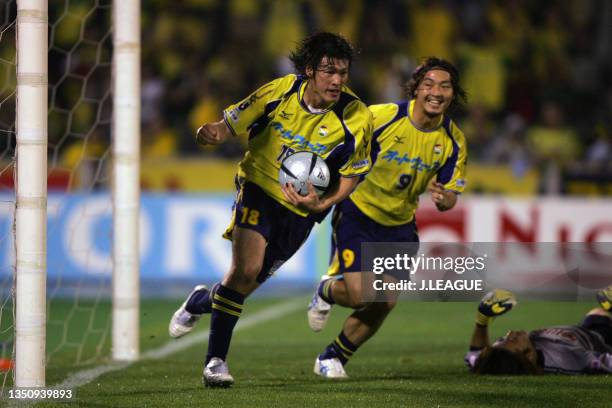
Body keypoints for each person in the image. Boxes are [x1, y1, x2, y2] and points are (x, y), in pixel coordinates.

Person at [168, 32, 373, 388]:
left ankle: (201, 300)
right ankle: (215, 362)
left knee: (244, 285)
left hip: (303, 211)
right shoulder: (280, 91)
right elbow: (229, 123)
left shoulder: (356, 117)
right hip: (259, 188)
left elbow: (353, 176)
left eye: (343, 72)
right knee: (244, 269)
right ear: (309, 70)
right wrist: (213, 132)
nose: (337, 80)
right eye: (328, 71)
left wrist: (321, 203)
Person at [307, 57, 468, 378]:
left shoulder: (453, 141)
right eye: (429, 84)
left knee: (385, 301)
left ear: (453, 94)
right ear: (416, 89)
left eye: (445, 86)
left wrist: (445, 198)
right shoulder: (382, 117)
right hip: (359, 213)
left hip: (400, 227)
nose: (436, 92)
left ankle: (333, 357)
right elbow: (337, 142)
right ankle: (326, 291)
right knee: (358, 295)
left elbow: (450, 198)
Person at [465, 287, 612, 374]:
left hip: (584, 330)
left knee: (597, 313)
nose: (510, 333)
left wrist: (482, 320)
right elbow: (604, 362)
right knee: (600, 313)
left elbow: (475, 354)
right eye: (513, 340)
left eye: (502, 339)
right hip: (602, 339)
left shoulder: (496, 360)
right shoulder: (565, 358)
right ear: (528, 356)